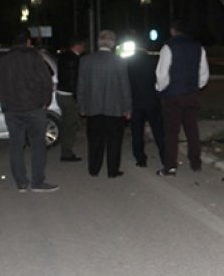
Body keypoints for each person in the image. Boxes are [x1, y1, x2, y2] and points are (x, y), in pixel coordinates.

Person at [0, 30, 59, 193]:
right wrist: (45, 102)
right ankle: (37, 182)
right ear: (28, 42)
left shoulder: (1, 60)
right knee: (38, 146)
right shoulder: (34, 57)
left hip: (12, 109)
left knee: (16, 145)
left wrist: (4, 100)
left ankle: (21, 182)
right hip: (34, 108)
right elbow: (46, 81)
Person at [155, 20, 210, 176]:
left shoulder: (168, 46)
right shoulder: (198, 47)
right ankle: (195, 162)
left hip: (172, 96)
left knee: (171, 133)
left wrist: (160, 88)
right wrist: (195, 87)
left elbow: (162, 73)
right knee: (192, 130)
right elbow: (204, 73)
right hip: (191, 94)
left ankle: (170, 166)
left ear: (173, 30)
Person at [77, 30, 132, 178]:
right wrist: (127, 108)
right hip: (114, 109)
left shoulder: (86, 61)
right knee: (114, 142)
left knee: (94, 140)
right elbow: (124, 87)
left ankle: (94, 169)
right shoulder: (119, 62)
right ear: (113, 44)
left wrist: (82, 106)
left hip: (93, 108)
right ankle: (112, 170)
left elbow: (81, 86)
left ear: (98, 42)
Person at [126, 36, 164, 168]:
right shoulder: (154, 61)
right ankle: (165, 158)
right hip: (151, 100)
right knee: (158, 130)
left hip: (135, 101)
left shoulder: (128, 62)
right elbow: (160, 79)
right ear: (147, 48)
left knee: (137, 132)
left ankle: (140, 159)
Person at [56, 36, 87, 162]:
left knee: (67, 122)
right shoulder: (74, 60)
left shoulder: (63, 56)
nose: (84, 48)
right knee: (71, 124)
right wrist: (78, 99)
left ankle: (66, 149)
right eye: (83, 46)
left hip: (60, 93)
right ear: (77, 46)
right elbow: (73, 81)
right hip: (68, 95)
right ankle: (66, 153)